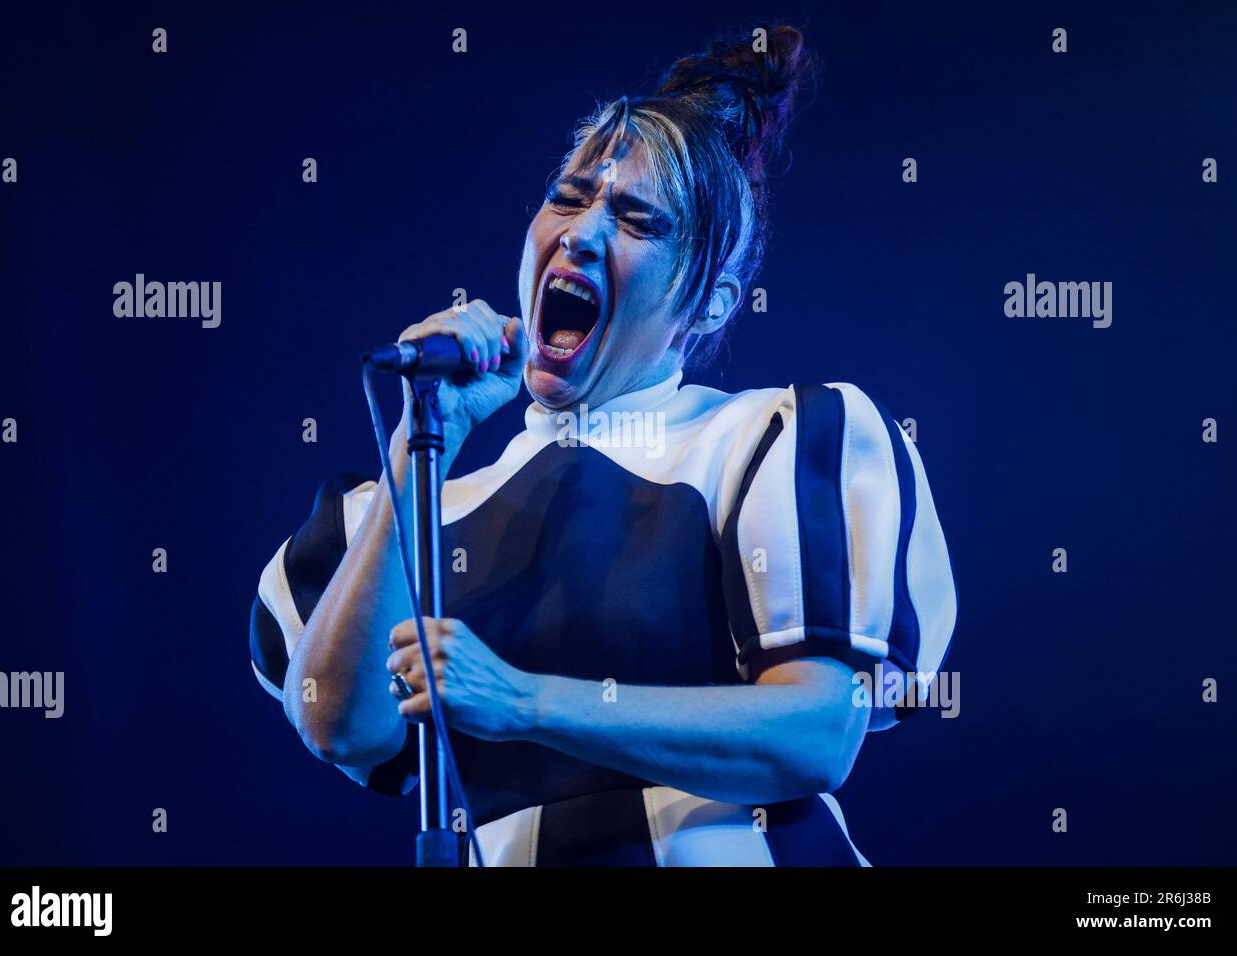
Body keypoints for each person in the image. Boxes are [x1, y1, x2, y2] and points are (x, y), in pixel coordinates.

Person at [249, 25, 957, 866]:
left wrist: (523, 700)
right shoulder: (414, 507)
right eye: (569, 196)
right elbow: (339, 723)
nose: (581, 232)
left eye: (634, 219)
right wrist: (418, 440)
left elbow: (814, 736)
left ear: (715, 302)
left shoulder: (761, 440)